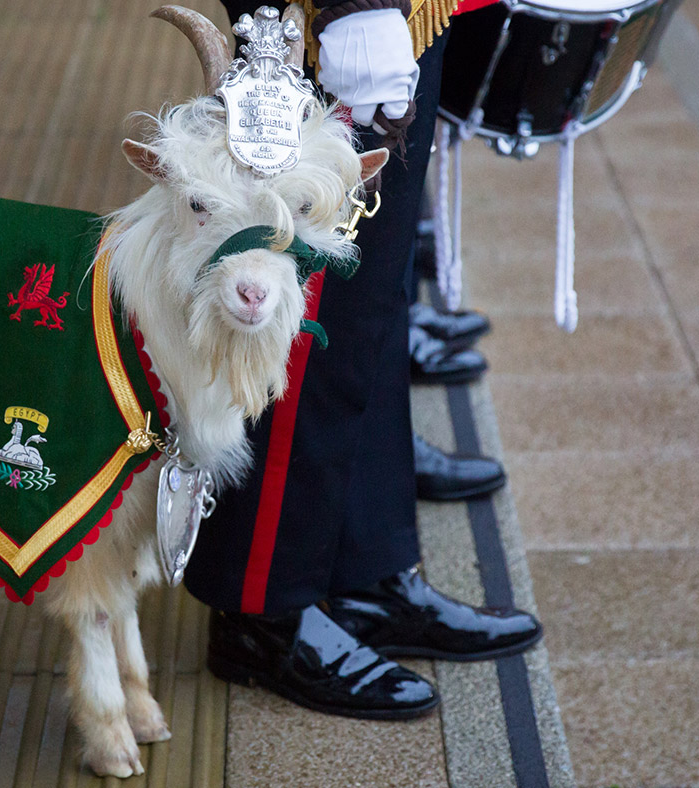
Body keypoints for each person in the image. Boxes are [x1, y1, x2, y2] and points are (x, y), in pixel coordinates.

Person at [183, 0, 541, 720]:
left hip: (402, 14)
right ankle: (264, 606)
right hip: (333, 20)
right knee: (306, 307)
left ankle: (360, 566)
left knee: (370, 297)